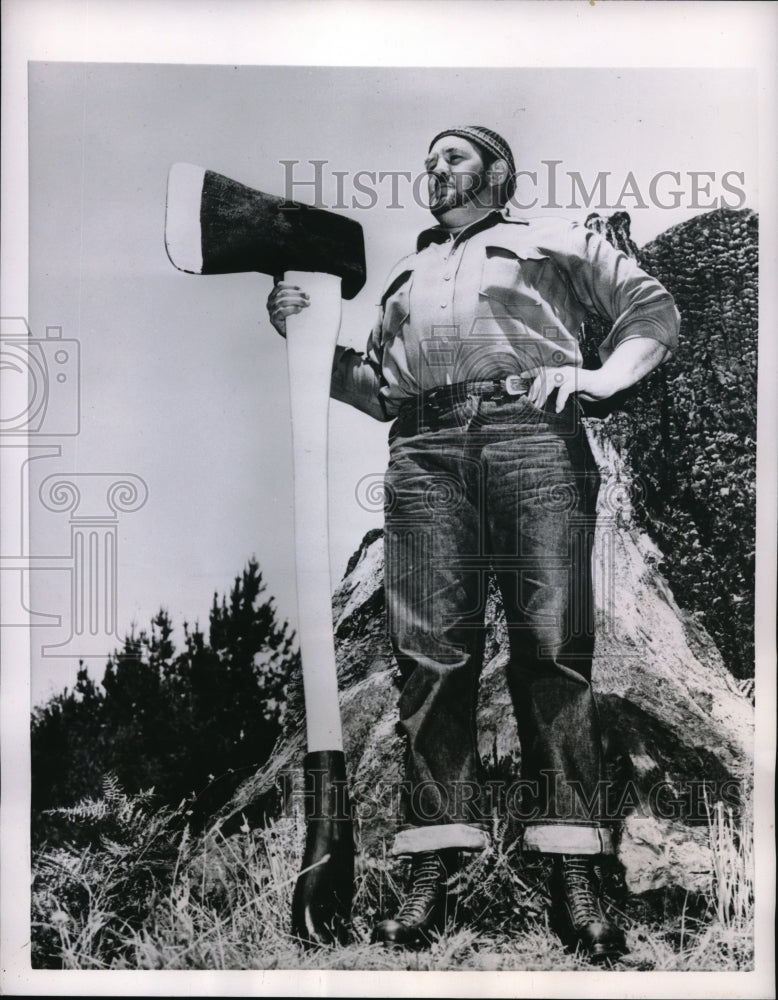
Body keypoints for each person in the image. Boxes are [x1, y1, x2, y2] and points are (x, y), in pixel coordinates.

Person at [267, 126, 680, 962]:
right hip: (420, 454)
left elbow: (653, 310)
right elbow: (380, 391)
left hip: (535, 438)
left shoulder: (555, 238)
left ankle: (573, 869)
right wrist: (303, 336)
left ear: (498, 174)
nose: (433, 169)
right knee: (429, 658)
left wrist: (597, 380)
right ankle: (433, 869)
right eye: (426, 159)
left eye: (452, 157)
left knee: (552, 646)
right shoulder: (406, 275)